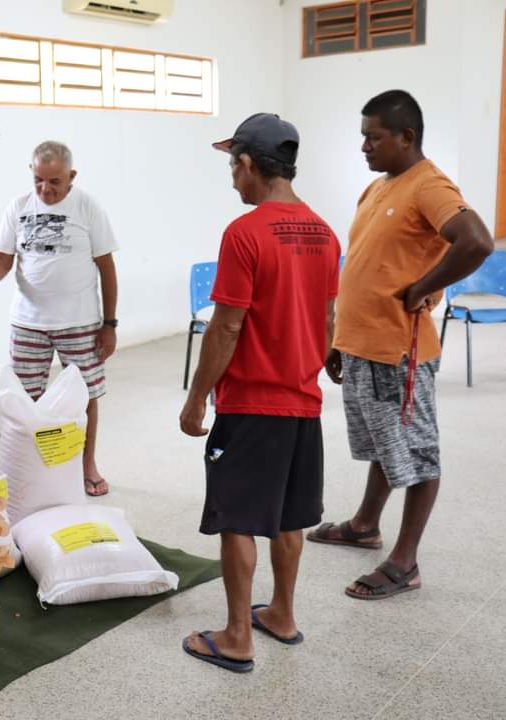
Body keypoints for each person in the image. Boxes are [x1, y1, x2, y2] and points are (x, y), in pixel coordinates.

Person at [307, 90, 493, 600]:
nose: (364, 146)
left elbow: (476, 240)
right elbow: (368, 265)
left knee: (417, 454)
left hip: (399, 351)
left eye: (374, 137)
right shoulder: (377, 189)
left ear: (406, 137)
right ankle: (365, 525)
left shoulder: (428, 185)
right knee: (384, 446)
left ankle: (405, 561)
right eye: (363, 136)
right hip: (363, 343)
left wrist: (423, 287)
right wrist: (340, 338)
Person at [180, 113, 340, 673]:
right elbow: (327, 318)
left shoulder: (243, 234)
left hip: (251, 404)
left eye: (232, 166)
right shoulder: (324, 231)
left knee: (240, 519)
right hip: (303, 402)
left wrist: (197, 395)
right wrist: (317, 363)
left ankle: (238, 635)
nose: (231, 179)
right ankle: (283, 616)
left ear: (249, 164)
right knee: (290, 516)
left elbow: (225, 327)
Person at [0, 141, 119, 496]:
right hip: (28, 323)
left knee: (85, 396)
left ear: (72, 176)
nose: (45, 190)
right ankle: (32, 467)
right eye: (39, 180)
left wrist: (109, 325)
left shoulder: (87, 207)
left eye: (54, 182)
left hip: (80, 323)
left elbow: (107, 269)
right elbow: (3, 259)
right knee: (24, 397)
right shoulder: (18, 207)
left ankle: (87, 465)